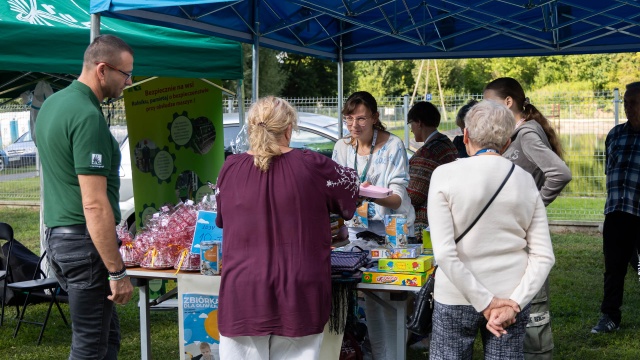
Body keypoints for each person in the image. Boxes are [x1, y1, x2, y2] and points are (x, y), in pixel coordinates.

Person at [215, 96, 358, 360]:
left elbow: (222, 219)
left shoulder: (230, 168)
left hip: (243, 290)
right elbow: (351, 188)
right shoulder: (313, 164)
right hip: (299, 289)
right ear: (289, 129)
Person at [427, 100, 556, 359]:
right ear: (507, 142)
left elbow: (444, 253)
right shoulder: (525, 181)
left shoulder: (444, 175)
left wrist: (485, 302)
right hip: (510, 296)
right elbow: (544, 256)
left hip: (455, 294)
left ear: (464, 135)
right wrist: (514, 303)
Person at [35, 35, 134, 359]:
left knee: (106, 339)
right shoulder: (87, 117)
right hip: (82, 241)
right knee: (90, 346)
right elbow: (93, 203)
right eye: (126, 73)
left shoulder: (52, 105)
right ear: (103, 69)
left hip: (59, 238)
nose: (129, 82)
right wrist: (117, 273)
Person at [484, 77, 571, 360]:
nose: (486, 109)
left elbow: (560, 173)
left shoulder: (527, 135)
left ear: (508, 102)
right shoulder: (515, 135)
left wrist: (534, 208)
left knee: (533, 307)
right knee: (518, 301)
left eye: (490, 103)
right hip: (514, 237)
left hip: (527, 238)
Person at [332, 91, 414, 360]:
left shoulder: (393, 146)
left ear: (375, 118)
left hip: (392, 233)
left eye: (361, 119)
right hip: (357, 234)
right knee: (368, 300)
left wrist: (365, 192)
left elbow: (396, 198)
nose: (354, 126)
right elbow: (334, 190)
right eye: (348, 119)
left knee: (387, 302)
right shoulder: (343, 146)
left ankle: (391, 355)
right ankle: (379, 353)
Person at [591, 81, 640, 334]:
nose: (628, 108)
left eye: (633, 103)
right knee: (613, 268)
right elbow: (609, 169)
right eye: (626, 103)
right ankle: (610, 316)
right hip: (617, 212)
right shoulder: (615, 134)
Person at [406, 101, 458, 242]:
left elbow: (414, 195)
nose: (411, 129)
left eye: (411, 124)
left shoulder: (428, 152)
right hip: (445, 216)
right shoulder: (445, 142)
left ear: (419, 123)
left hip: (428, 225)